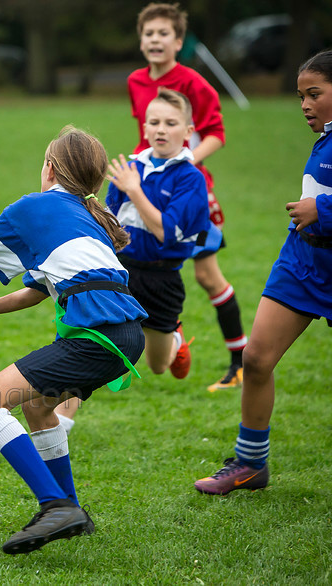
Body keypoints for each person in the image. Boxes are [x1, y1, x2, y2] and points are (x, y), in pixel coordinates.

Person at [0, 126, 147, 554]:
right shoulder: (85, 216)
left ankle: (55, 505)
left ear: (49, 168)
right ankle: (70, 507)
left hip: (97, 335)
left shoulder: (33, 208)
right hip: (125, 333)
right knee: (38, 407)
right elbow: (36, 291)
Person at [54, 2, 246, 433]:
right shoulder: (137, 81)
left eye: (164, 34)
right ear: (140, 40)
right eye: (149, 34)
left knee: (207, 277)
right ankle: (63, 415)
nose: (155, 41)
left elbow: (216, 132)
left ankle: (234, 359)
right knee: (99, 322)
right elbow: (145, 142)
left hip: (179, 193)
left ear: (179, 41)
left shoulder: (193, 85)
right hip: (143, 194)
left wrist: (179, 166)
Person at [194, 50, 332, 495]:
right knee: (255, 360)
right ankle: (250, 464)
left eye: (315, 94)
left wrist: (322, 209)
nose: (305, 105)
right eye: (300, 96)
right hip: (302, 263)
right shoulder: (326, 138)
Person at [107, 88, 210, 381]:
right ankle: (61, 419)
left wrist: (135, 190)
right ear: (144, 127)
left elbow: (166, 232)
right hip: (122, 271)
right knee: (98, 345)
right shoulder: (130, 169)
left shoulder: (190, 178)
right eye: (153, 122)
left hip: (161, 280)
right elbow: (110, 223)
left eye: (170, 123)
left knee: (157, 366)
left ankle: (175, 340)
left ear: (188, 130)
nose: (160, 130)